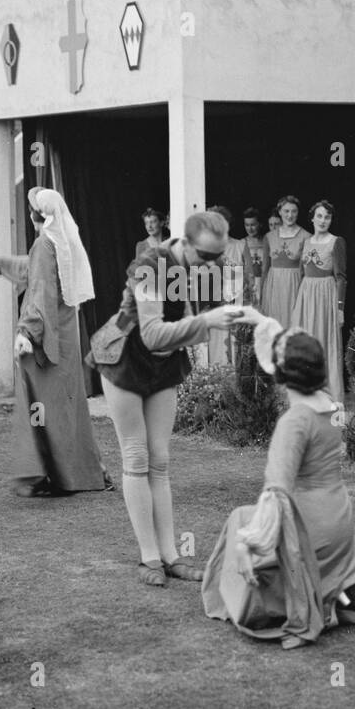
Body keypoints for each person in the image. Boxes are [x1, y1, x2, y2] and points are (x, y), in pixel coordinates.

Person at [87, 210, 242, 586]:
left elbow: (193, 322)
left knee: (161, 461)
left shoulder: (205, 266)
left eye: (218, 256)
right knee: (137, 457)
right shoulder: (150, 264)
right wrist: (208, 321)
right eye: (206, 256)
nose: (214, 263)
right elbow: (154, 334)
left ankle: (172, 556)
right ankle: (149, 558)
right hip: (125, 357)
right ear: (185, 243)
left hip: (162, 364)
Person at [202, 309, 355, 650]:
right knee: (252, 520)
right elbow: (293, 349)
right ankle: (343, 598)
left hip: (309, 531)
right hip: (340, 523)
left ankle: (279, 605)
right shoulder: (330, 407)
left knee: (239, 520)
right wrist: (258, 319)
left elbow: (276, 492)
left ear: (280, 375)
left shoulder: (295, 422)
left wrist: (249, 545)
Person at [0, 187, 108, 496]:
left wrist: (27, 332)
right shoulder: (60, 242)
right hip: (65, 336)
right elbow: (38, 273)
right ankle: (82, 472)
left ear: (35, 214)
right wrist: (2, 263)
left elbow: (40, 290)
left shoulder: (43, 244)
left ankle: (54, 476)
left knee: (44, 405)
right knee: (66, 405)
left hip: (45, 338)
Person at [291, 200, 347, 405]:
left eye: (328, 217)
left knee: (325, 344)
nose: (323, 221)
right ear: (312, 218)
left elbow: (341, 277)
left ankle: (329, 396)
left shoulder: (336, 241)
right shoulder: (306, 242)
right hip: (307, 296)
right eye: (320, 216)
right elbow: (300, 273)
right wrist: (298, 303)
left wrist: (340, 308)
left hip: (326, 296)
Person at [205, 205, 253, 366]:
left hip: (235, 303)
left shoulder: (239, 245)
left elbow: (249, 276)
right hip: (213, 304)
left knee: (235, 345)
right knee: (214, 346)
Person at [260, 195, 310, 325]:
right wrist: (261, 295)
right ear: (280, 212)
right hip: (273, 288)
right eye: (286, 211)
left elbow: (307, 271)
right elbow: (264, 268)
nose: (290, 215)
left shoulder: (306, 236)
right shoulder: (269, 237)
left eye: (294, 211)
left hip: (295, 286)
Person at [242, 207, 269, 302]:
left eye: (253, 225)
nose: (250, 228)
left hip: (266, 285)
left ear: (260, 224)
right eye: (247, 225)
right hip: (248, 287)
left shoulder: (267, 241)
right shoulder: (241, 244)